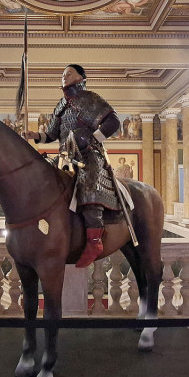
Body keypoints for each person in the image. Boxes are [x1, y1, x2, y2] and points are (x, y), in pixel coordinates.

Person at [24, 64, 121, 267]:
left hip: (88, 155)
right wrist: (35, 135)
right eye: (63, 74)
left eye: (69, 73)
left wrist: (93, 138)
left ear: (81, 78)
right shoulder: (61, 105)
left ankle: (95, 241)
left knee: (89, 186)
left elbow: (113, 122)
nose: (64, 77)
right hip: (64, 158)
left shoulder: (90, 98)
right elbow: (51, 134)